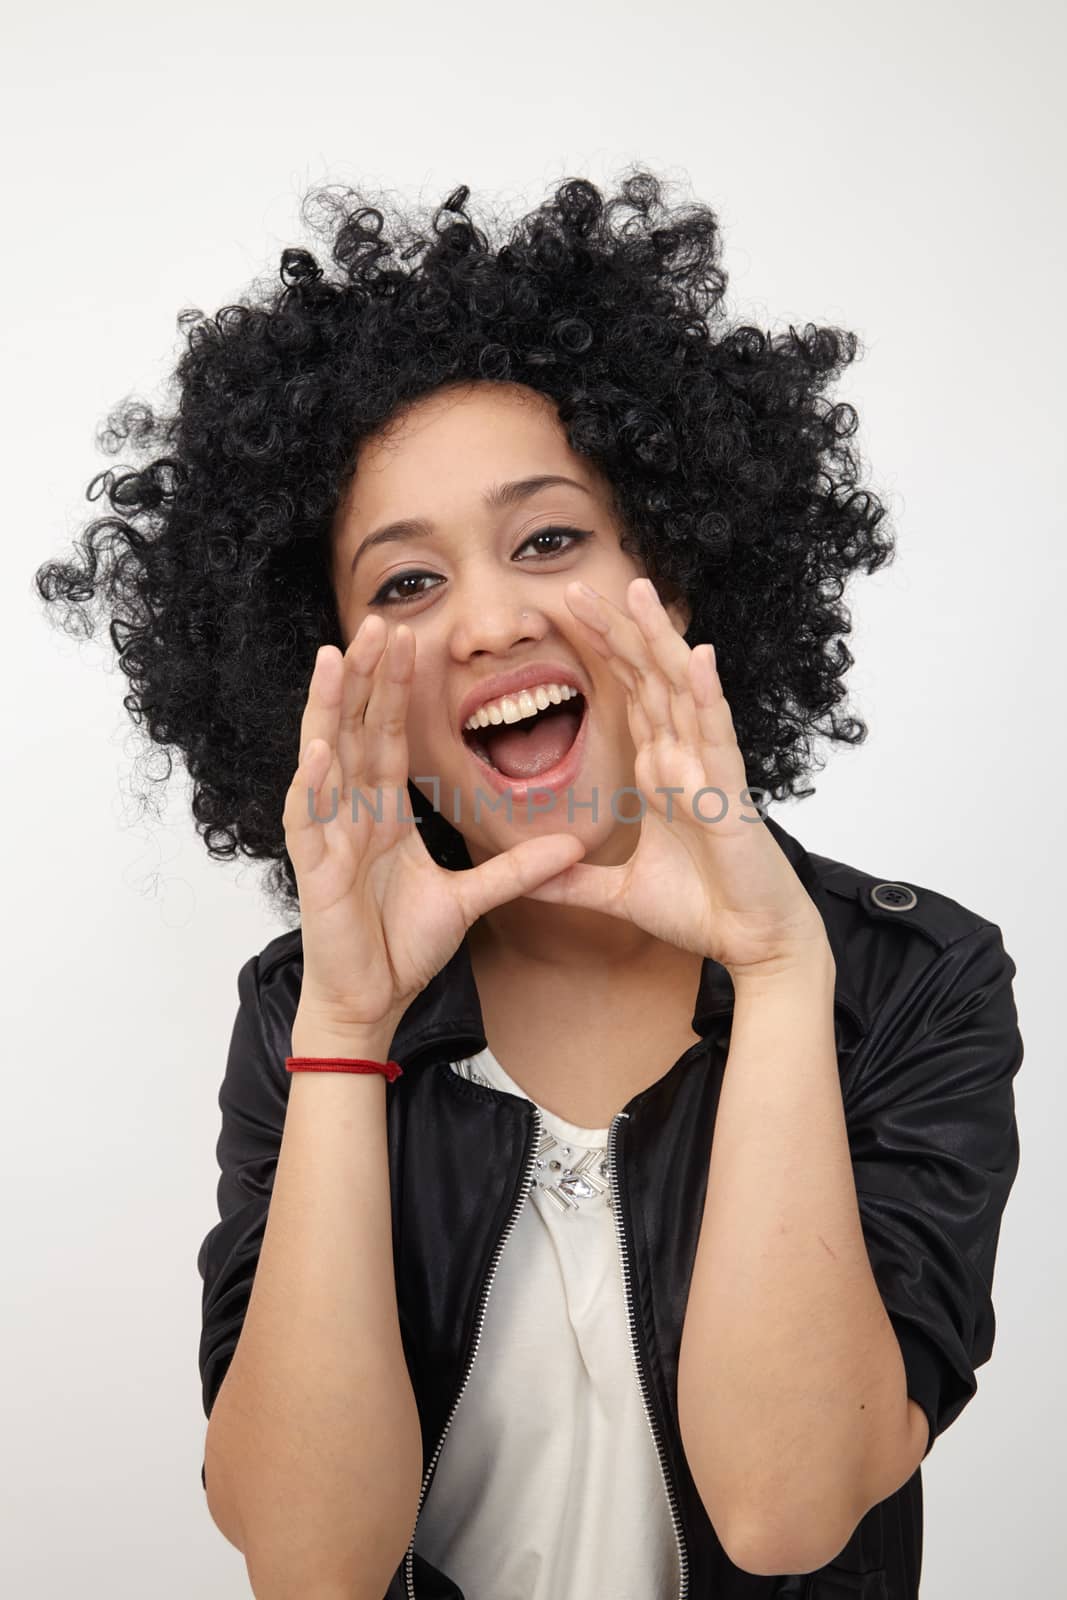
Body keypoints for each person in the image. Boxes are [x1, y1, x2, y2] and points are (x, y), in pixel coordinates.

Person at [34, 169, 1024, 1600]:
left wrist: (777, 970)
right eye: (403, 586)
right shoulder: (307, 1012)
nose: (491, 620)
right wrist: (349, 1029)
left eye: (548, 539)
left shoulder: (909, 982)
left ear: (669, 580)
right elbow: (312, 1564)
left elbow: (788, 1510)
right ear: (328, 677)